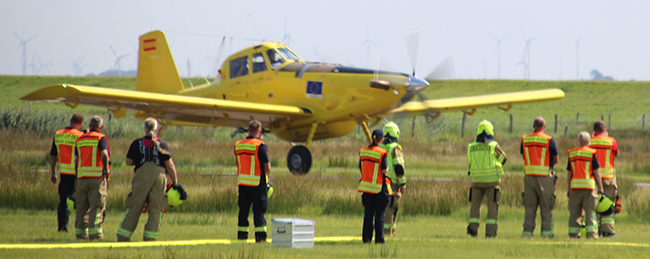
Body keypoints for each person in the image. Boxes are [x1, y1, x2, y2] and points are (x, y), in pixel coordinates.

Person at [117, 118, 179, 241]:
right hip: (160, 176)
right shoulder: (162, 144)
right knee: (156, 208)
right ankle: (150, 237)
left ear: (145, 129)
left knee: (135, 206)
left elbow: (128, 162)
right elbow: (170, 165)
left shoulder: (136, 143)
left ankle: (123, 236)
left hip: (141, 176)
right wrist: (175, 182)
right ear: (156, 129)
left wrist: (140, 160)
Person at [466, 120, 507, 238]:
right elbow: (504, 159)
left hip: (476, 181)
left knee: (475, 206)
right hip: (492, 182)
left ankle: (473, 231)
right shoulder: (494, 146)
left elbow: (470, 159)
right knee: (492, 206)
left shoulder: (471, 147)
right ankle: (490, 233)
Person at [521, 117, 559, 238]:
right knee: (547, 207)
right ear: (544, 127)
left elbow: (524, 156)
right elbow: (556, 159)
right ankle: (547, 234)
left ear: (533, 126)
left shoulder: (525, 139)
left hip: (529, 177)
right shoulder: (549, 140)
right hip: (545, 177)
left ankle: (527, 233)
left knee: (530, 207)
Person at [235, 120, 271, 243]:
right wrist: (267, 179)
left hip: (243, 183)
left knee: (243, 212)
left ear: (248, 130)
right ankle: (260, 239)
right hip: (257, 183)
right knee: (259, 213)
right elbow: (267, 167)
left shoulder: (238, 145)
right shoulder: (260, 146)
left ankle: (242, 237)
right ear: (260, 132)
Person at [74, 115, 110, 241]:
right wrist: (105, 169)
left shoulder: (80, 138)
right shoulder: (101, 137)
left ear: (89, 126)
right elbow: (104, 154)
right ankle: (95, 235)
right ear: (101, 126)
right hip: (96, 177)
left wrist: (76, 175)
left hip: (82, 177)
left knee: (81, 207)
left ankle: (80, 233)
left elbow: (76, 159)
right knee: (96, 206)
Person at [50, 113, 85, 232]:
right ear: (80, 124)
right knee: (81, 201)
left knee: (63, 202)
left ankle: (62, 227)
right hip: (77, 173)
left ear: (70, 121)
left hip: (63, 173)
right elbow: (79, 156)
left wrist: (53, 173)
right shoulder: (80, 135)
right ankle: (80, 226)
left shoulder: (58, 134)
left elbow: (53, 156)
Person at [567, 131, 604, 239]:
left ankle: (573, 235)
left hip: (575, 187)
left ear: (578, 141)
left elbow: (569, 173)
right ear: (589, 141)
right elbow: (596, 172)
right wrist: (601, 188)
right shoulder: (591, 153)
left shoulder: (572, 153)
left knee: (574, 214)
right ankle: (592, 235)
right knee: (590, 213)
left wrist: (568, 188)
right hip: (589, 188)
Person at [359, 129, 393, 244]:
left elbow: (361, 168)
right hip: (379, 188)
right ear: (381, 139)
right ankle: (379, 240)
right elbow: (384, 170)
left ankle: (366, 239)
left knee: (368, 215)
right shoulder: (381, 153)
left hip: (366, 188)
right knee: (380, 215)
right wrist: (387, 170)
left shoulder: (363, 152)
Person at [590, 120, 619, 237]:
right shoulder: (611, 141)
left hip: (592, 178)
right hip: (608, 177)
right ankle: (608, 231)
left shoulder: (590, 141)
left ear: (594, 130)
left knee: (594, 204)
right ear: (605, 130)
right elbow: (616, 153)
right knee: (607, 204)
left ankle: (595, 230)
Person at [380, 122, 405, 237]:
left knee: (382, 207)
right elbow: (399, 167)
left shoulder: (380, 147)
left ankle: (385, 230)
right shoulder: (395, 148)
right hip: (393, 183)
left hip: (380, 182)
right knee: (392, 207)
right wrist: (402, 183)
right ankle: (388, 232)